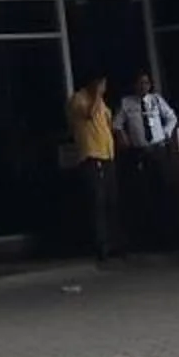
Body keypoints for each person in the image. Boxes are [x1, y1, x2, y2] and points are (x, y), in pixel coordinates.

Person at [115, 73, 178, 246]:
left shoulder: (156, 100)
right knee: (145, 193)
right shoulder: (127, 103)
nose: (143, 86)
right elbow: (117, 124)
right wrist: (123, 137)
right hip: (140, 152)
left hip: (158, 149)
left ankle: (169, 236)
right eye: (140, 83)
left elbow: (172, 117)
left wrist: (166, 133)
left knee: (163, 190)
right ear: (134, 85)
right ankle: (149, 237)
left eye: (146, 83)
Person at [66, 72, 117, 261]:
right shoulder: (78, 100)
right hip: (91, 155)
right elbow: (89, 114)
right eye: (101, 84)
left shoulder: (102, 102)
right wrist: (96, 94)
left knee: (111, 200)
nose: (104, 88)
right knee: (97, 202)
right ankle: (100, 246)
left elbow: (108, 122)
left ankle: (114, 242)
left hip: (107, 154)